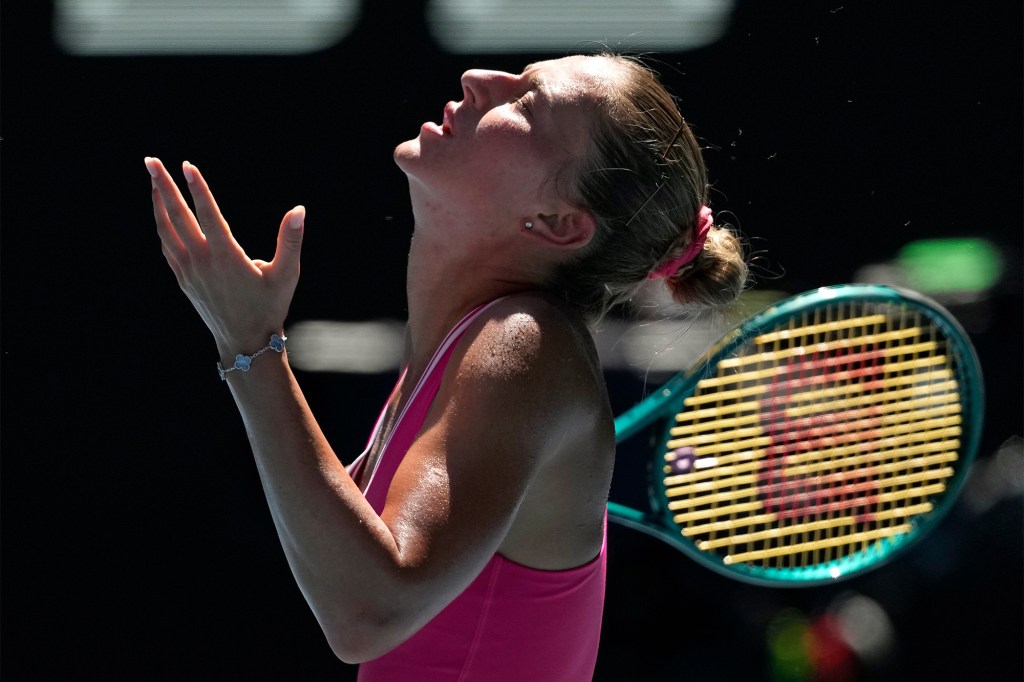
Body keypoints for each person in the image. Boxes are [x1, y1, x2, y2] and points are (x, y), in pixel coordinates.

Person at [145, 53, 748, 681]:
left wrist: (251, 347)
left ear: (557, 223)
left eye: (526, 105)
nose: (479, 79)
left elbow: (368, 612)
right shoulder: (469, 353)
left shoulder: (522, 347)